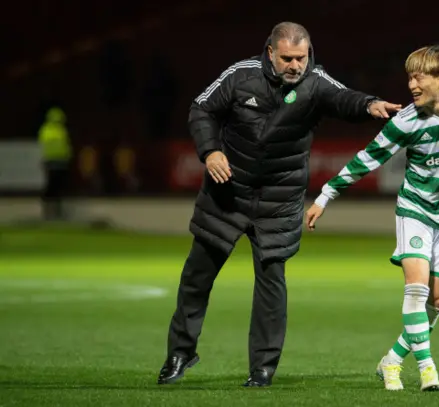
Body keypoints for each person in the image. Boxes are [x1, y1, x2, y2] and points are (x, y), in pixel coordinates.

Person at [157, 21, 402, 387]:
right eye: (287, 58)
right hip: (227, 194)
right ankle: (180, 353)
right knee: (196, 277)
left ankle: (263, 369)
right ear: (270, 52)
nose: (295, 66)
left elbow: (343, 97)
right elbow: (201, 109)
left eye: (300, 58)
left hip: (279, 199)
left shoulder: (315, 82)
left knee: (271, 285)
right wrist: (209, 152)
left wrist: (370, 105)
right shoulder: (240, 75)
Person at [306, 44, 439, 391]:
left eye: (419, 77)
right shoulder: (407, 120)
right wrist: (325, 196)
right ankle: (427, 368)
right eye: (409, 77)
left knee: (438, 299)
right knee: (415, 287)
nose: (411, 84)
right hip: (415, 208)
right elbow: (367, 159)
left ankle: (392, 360)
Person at [38, 106, 72, 220]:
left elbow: (65, 146)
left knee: (57, 185)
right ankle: (49, 210)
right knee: (52, 185)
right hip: (53, 161)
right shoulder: (50, 130)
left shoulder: (53, 130)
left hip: (58, 161)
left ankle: (55, 210)